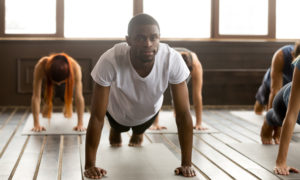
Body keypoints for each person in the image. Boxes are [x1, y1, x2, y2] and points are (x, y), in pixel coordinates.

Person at [84, 13, 196, 179]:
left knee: (139, 129)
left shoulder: (172, 59)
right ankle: (116, 130)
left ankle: (138, 132)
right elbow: (96, 117)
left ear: (159, 38)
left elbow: (183, 114)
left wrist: (187, 163)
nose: (148, 44)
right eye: (141, 38)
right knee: (118, 128)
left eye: (153, 37)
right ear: (128, 40)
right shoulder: (110, 59)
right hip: (116, 113)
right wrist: (90, 165)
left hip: (149, 112)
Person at [260, 55, 300, 175]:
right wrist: (281, 162)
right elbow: (291, 114)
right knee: (277, 117)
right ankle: (268, 120)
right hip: (285, 102)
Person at [150, 47, 206, 131]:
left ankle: (177, 110)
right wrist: (155, 123)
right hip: (167, 63)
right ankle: (157, 120)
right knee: (160, 90)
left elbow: (197, 95)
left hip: (187, 63)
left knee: (180, 92)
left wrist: (199, 123)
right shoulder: (164, 61)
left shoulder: (195, 65)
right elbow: (157, 93)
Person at [31, 53, 85, 132]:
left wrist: (80, 124)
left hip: (67, 84)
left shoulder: (75, 67)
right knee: (45, 115)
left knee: (68, 114)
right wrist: (36, 124)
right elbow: (36, 96)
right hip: (48, 84)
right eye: (57, 82)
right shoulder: (41, 65)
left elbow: (79, 97)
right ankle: (48, 102)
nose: (58, 84)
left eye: (60, 82)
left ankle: (68, 103)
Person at [254, 42, 300, 115]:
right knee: (258, 109)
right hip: (273, 81)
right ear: (292, 54)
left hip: (292, 82)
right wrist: (271, 119)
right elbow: (275, 91)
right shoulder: (280, 55)